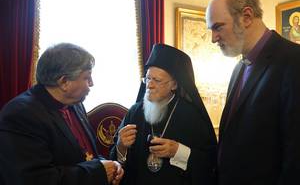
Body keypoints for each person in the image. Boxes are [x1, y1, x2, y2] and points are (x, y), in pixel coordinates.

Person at [206, 0, 300, 185]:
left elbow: (295, 158)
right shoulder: (238, 68)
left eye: (218, 27)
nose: (213, 38)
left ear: (246, 16)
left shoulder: (293, 61)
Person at [0, 43, 124, 185]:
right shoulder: (20, 115)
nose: (91, 83)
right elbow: (35, 179)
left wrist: (109, 165)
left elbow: (86, 154)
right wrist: (98, 172)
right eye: (87, 77)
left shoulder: (75, 103)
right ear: (64, 82)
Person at [110, 43, 217, 185]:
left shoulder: (192, 116)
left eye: (157, 80)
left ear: (174, 85)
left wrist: (179, 152)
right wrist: (121, 147)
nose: (149, 85)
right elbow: (117, 163)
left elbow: (209, 162)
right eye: (147, 78)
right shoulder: (135, 112)